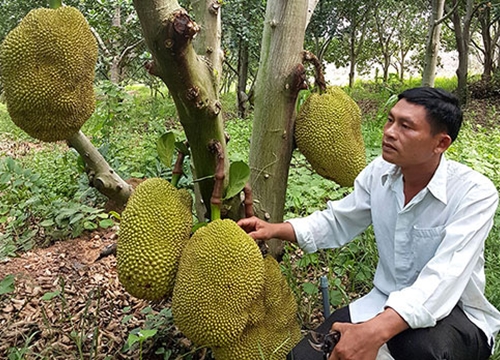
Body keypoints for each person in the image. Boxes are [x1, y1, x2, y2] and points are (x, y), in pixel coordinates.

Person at [238, 87, 500, 360]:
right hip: (383, 301)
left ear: (441, 143)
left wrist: (372, 333)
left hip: (456, 314)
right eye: (390, 120)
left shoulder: (474, 194)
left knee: (418, 350)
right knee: (304, 357)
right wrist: (274, 230)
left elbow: (445, 277)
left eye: (406, 126)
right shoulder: (379, 173)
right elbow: (338, 221)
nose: (389, 131)